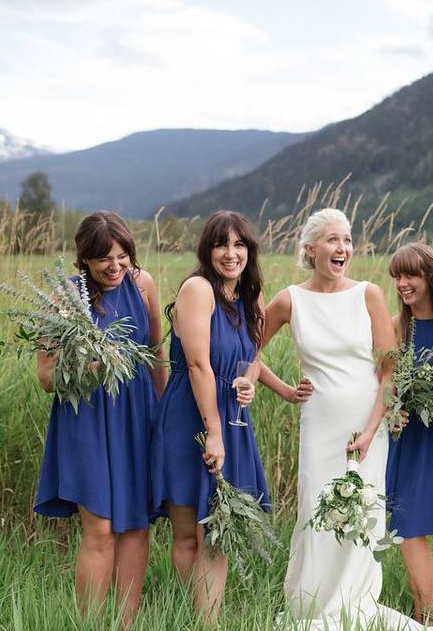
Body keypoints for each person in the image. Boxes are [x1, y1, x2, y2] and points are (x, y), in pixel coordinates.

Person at [261, 208, 433, 631]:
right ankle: (311, 601)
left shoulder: (368, 294)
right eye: (333, 240)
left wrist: (376, 425)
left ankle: (356, 601)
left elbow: (390, 366)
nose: (343, 248)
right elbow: (244, 350)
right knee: (314, 511)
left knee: (364, 512)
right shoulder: (288, 299)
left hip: (365, 423)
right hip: (318, 423)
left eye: (348, 239)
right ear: (310, 248)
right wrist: (283, 389)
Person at [35, 211, 167, 628]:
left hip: (138, 416)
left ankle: (125, 624)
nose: (115, 267)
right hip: (87, 420)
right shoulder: (63, 297)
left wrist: (162, 417)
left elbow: (157, 354)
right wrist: (92, 366)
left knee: (136, 525)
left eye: (122, 256)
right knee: (100, 528)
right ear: (84, 259)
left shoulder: (142, 284)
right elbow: (45, 377)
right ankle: (92, 625)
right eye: (104, 259)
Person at [150, 210, 271, 625]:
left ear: (249, 251)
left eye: (239, 245)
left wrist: (251, 382)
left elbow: (253, 357)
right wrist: (214, 432)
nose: (231, 253)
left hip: (231, 421)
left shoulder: (250, 295)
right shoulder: (197, 289)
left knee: (219, 530)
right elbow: (199, 365)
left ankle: (209, 622)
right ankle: (190, 616)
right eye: (222, 244)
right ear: (208, 249)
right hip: (191, 420)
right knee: (188, 531)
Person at [385, 242, 433, 626]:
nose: (402, 283)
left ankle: (429, 613)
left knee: (430, 524)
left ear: (431, 276)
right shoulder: (398, 327)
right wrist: (392, 408)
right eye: (397, 275)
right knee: (408, 526)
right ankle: (429, 612)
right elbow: (383, 382)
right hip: (410, 441)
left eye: (410, 274)